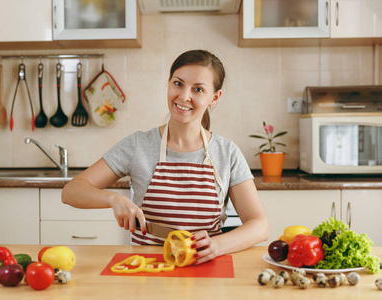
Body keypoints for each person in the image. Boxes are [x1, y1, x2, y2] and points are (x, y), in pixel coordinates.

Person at [62, 49, 269, 265]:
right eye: (178, 83)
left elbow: (259, 226)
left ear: (214, 98)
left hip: (206, 267)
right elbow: (71, 191)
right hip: (147, 268)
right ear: (168, 83)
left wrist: (217, 246)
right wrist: (113, 199)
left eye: (198, 89)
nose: (184, 96)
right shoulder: (138, 145)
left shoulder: (227, 152)